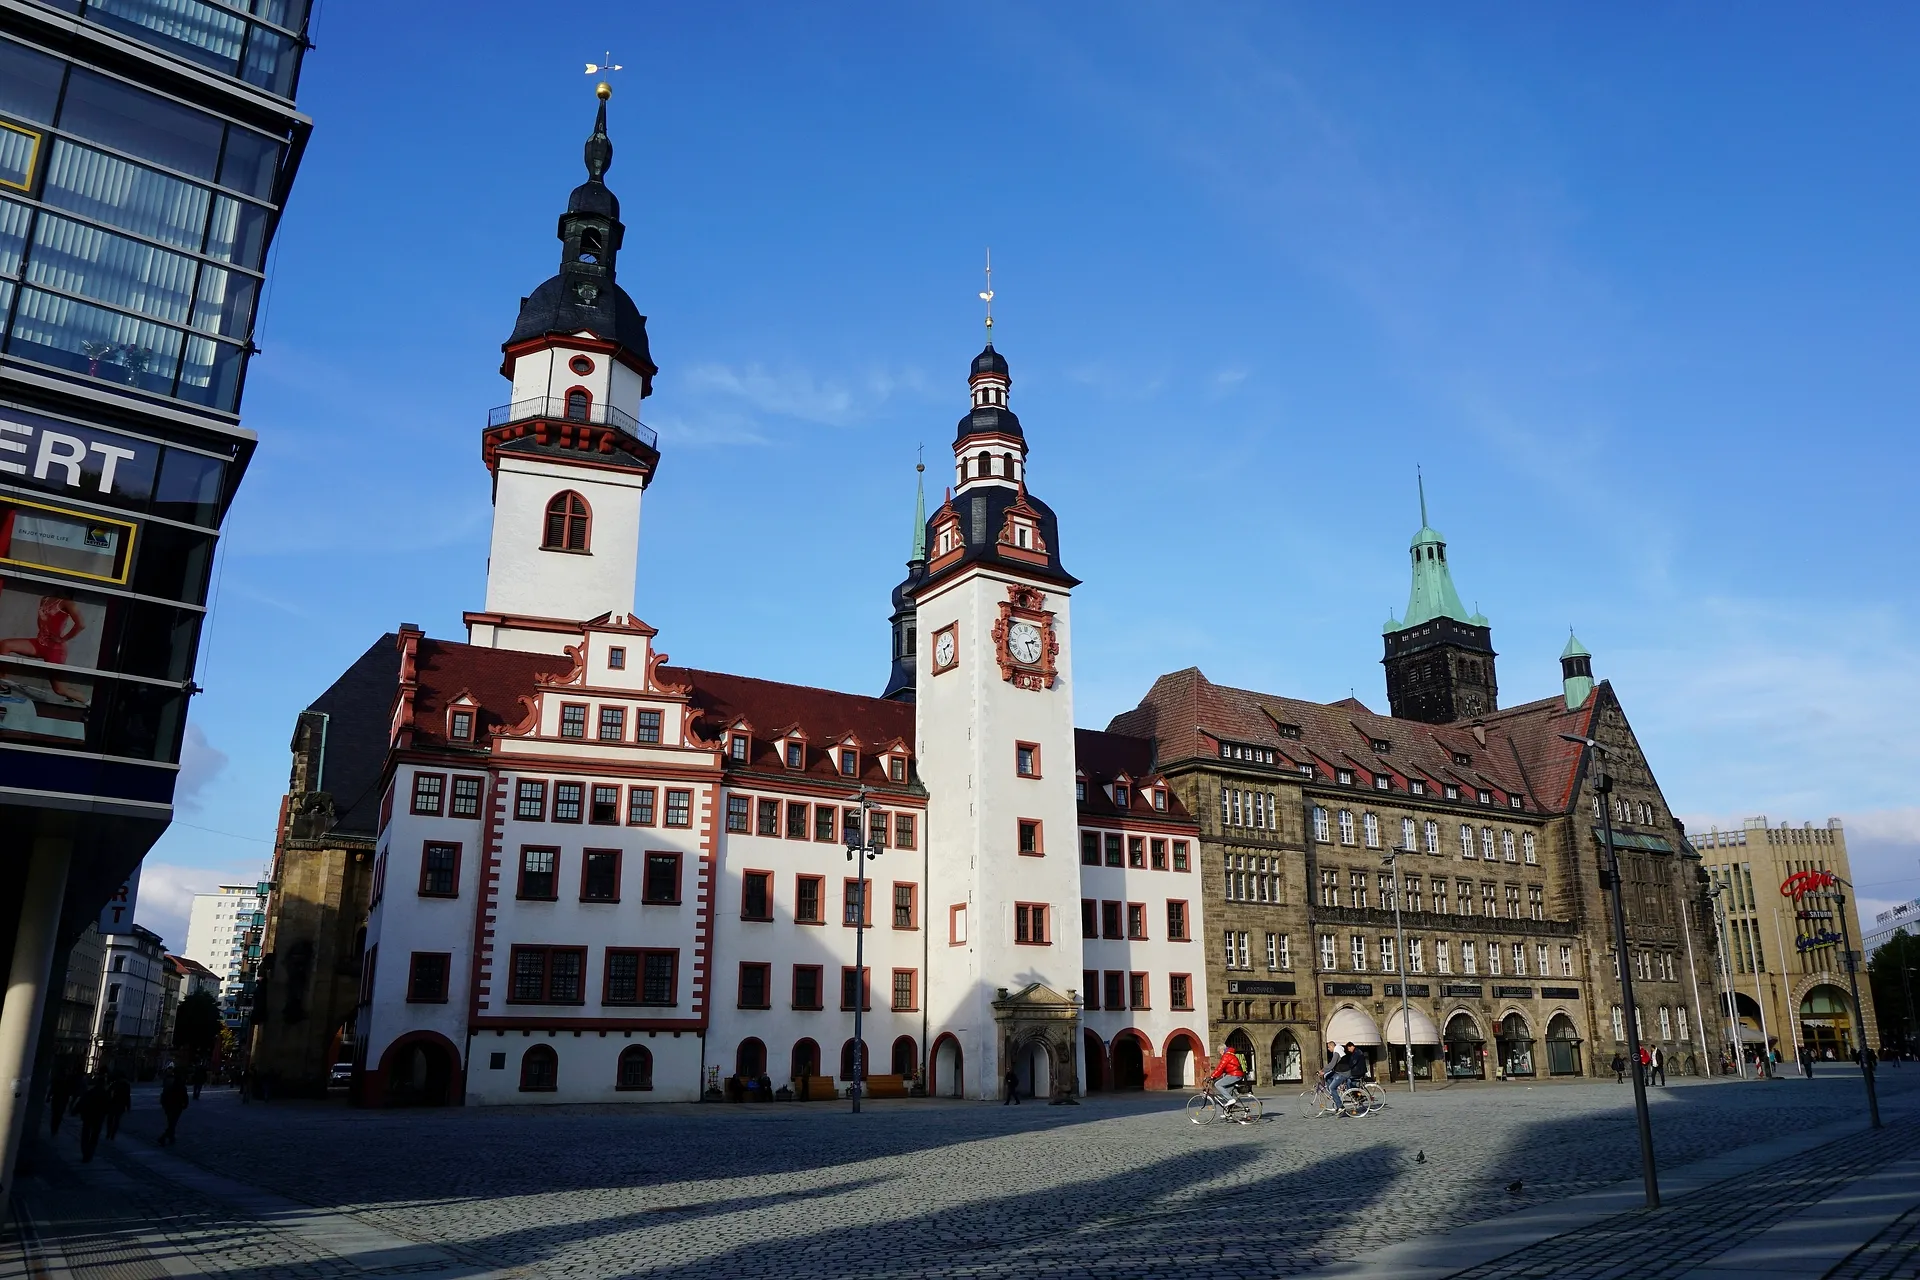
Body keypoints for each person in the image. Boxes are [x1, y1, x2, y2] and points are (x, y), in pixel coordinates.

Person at [75, 1076, 107, 1163]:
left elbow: (82, 1101)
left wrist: (76, 1110)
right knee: (94, 1137)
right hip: (98, 1118)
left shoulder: (91, 1092)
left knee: (86, 1135)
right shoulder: (105, 1094)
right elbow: (108, 1107)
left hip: (88, 1117)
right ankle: (89, 1153)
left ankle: (86, 1152)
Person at [1207, 1045, 1247, 1112]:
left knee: (1218, 1084)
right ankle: (1230, 1112)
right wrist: (1214, 1077)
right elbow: (1222, 1070)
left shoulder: (1226, 1056)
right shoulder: (1230, 1054)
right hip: (1236, 1074)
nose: (1220, 1053)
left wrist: (1211, 1076)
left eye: (1219, 1052)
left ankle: (1231, 1100)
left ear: (1222, 1050)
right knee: (1226, 1092)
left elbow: (1220, 1067)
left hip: (1234, 1075)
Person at [158, 1074, 189, 1147]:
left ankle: (171, 1137)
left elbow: (163, 1096)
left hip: (169, 1106)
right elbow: (185, 1097)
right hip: (177, 1107)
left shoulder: (169, 1086)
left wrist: (164, 1105)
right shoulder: (181, 1087)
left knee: (171, 1122)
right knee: (172, 1123)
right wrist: (185, 1105)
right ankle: (164, 1137)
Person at [104, 1073, 130, 1141]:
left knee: (112, 1120)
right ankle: (111, 1133)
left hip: (115, 1104)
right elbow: (127, 1097)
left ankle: (110, 1133)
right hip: (118, 1105)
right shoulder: (125, 1085)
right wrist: (128, 1106)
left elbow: (108, 1093)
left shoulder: (115, 1084)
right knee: (115, 1120)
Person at [48, 1070, 73, 1135]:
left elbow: (52, 1089)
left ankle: (53, 1129)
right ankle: (55, 1129)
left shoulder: (58, 1081)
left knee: (55, 1115)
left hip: (57, 1099)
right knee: (58, 1115)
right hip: (62, 1100)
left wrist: (49, 1096)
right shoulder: (67, 1082)